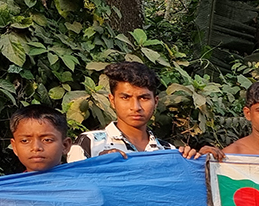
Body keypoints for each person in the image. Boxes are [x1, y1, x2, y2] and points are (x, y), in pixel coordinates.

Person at [68, 61, 222, 162]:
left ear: (155, 102)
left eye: (143, 98)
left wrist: (201, 162)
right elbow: (75, 190)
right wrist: (97, 164)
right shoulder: (90, 144)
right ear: (112, 100)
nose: (135, 107)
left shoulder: (170, 152)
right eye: (126, 97)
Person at [10, 105, 72, 173]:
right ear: (14, 147)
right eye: (25, 141)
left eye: (47, 140)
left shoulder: (80, 181)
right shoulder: (11, 183)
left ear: (65, 145)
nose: (36, 147)